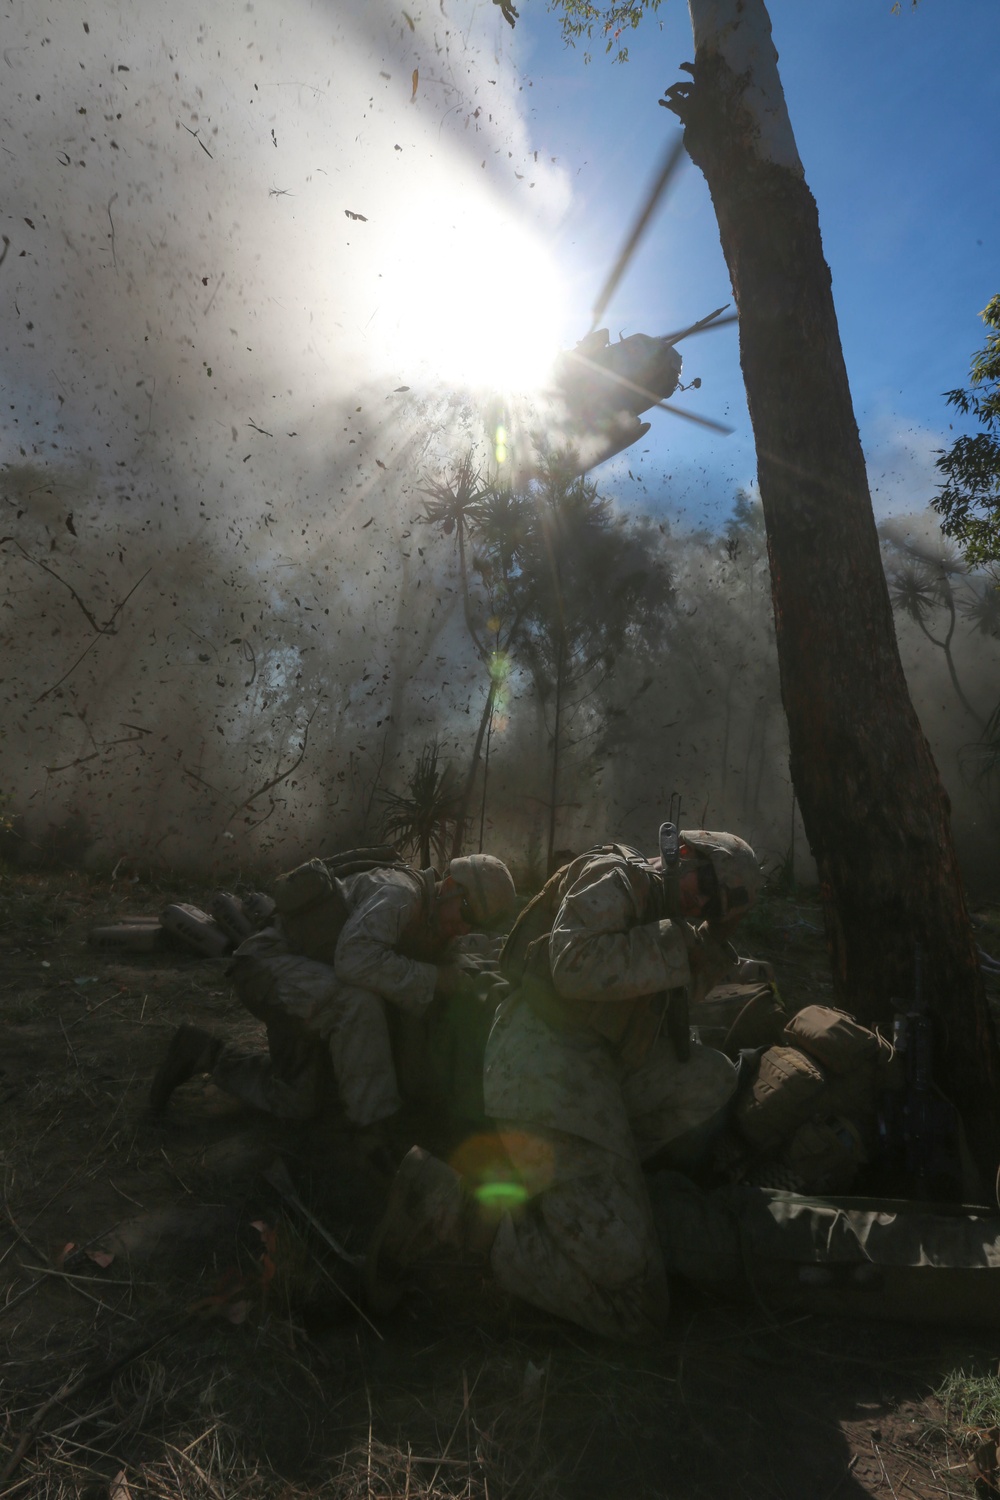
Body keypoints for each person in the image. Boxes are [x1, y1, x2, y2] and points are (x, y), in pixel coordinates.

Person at [365, 829, 768, 1341]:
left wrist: (707, 958)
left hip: (591, 1065)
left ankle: (579, 1193)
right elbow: (574, 964)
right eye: (705, 882)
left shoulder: (668, 916)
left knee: (711, 1078)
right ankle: (448, 1206)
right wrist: (676, 944)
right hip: (543, 1068)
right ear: (684, 852)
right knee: (638, 1308)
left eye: (715, 905)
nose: (702, 901)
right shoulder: (618, 875)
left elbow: (648, 1004)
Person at [149, 853, 516, 1151]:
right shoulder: (398, 894)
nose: (465, 928)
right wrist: (438, 979)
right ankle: (372, 1134)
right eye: (466, 913)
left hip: (310, 981)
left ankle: (204, 1054)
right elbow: (355, 961)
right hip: (269, 965)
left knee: (299, 1103)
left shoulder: (436, 920)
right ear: (450, 886)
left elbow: (443, 976)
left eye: (476, 924)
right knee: (355, 1004)